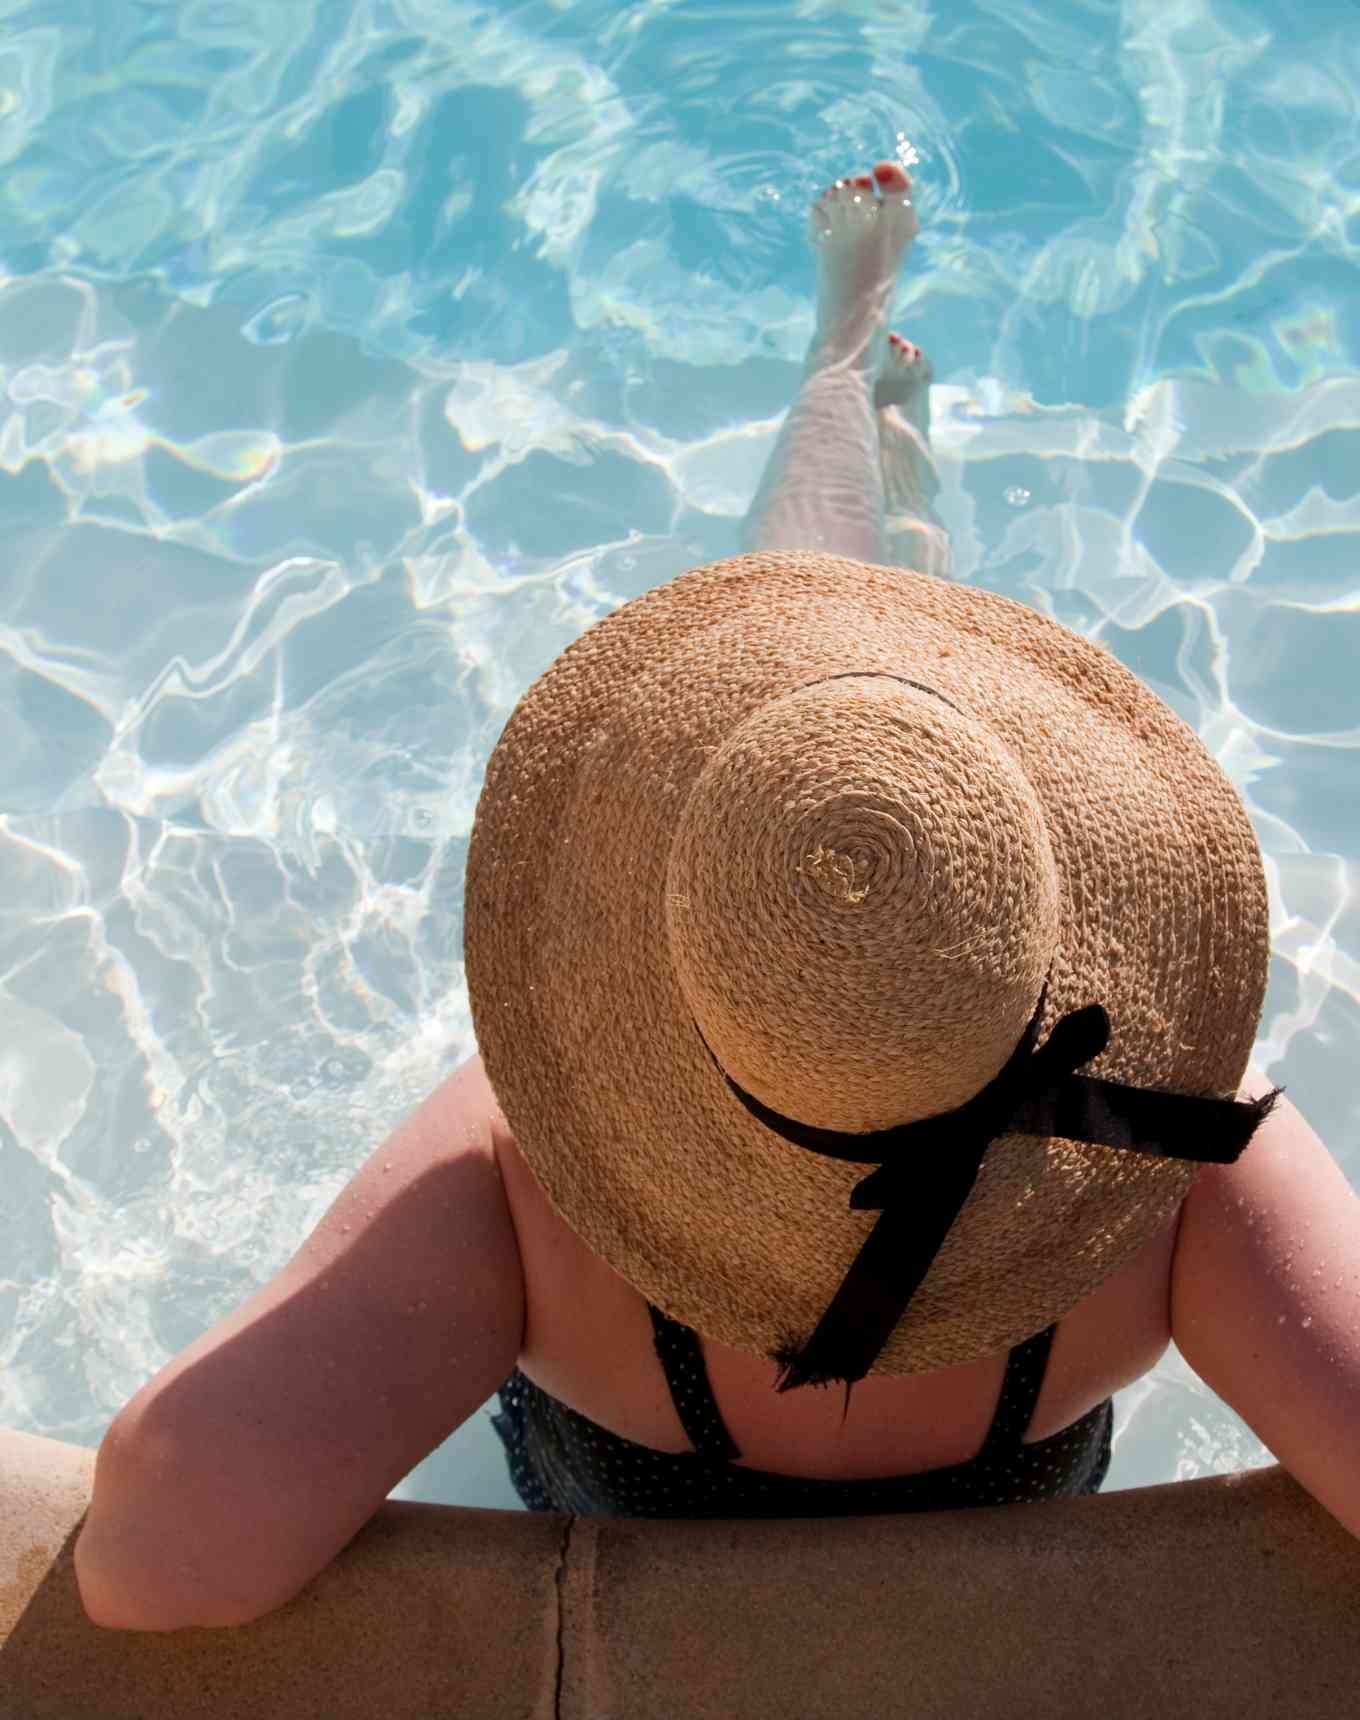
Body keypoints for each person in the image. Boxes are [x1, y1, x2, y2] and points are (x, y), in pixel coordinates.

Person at [74, 163, 1360, 1635]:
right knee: (906, 773)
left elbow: (150, 1560)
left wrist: (544, 1073)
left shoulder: (532, 1175)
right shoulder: (1159, 1144)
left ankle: (840, 363)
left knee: (793, 729)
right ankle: (901, 498)